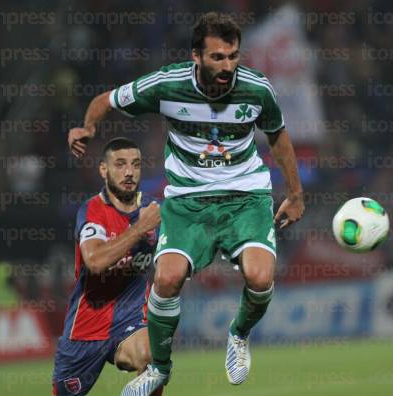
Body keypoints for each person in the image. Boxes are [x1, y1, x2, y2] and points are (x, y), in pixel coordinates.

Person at [67, 12, 304, 396]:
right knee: (167, 278)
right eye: (218, 58)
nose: (228, 66)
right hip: (187, 199)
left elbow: (279, 137)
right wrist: (88, 127)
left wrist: (295, 195)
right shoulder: (166, 85)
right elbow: (105, 100)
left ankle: (239, 335)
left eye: (233, 56)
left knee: (260, 277)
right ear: (196, 56)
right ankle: (159, 369)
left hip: (245, 196)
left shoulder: (258, 89)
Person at [53, 138, 163, 396]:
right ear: (103, 170)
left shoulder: (153, 210)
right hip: (85, 328)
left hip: (131, 319)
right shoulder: (92, 211)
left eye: (135, 165)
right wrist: (139, 230)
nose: (129, 172)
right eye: (120, 164)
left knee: (153, 358)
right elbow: (95, 261)